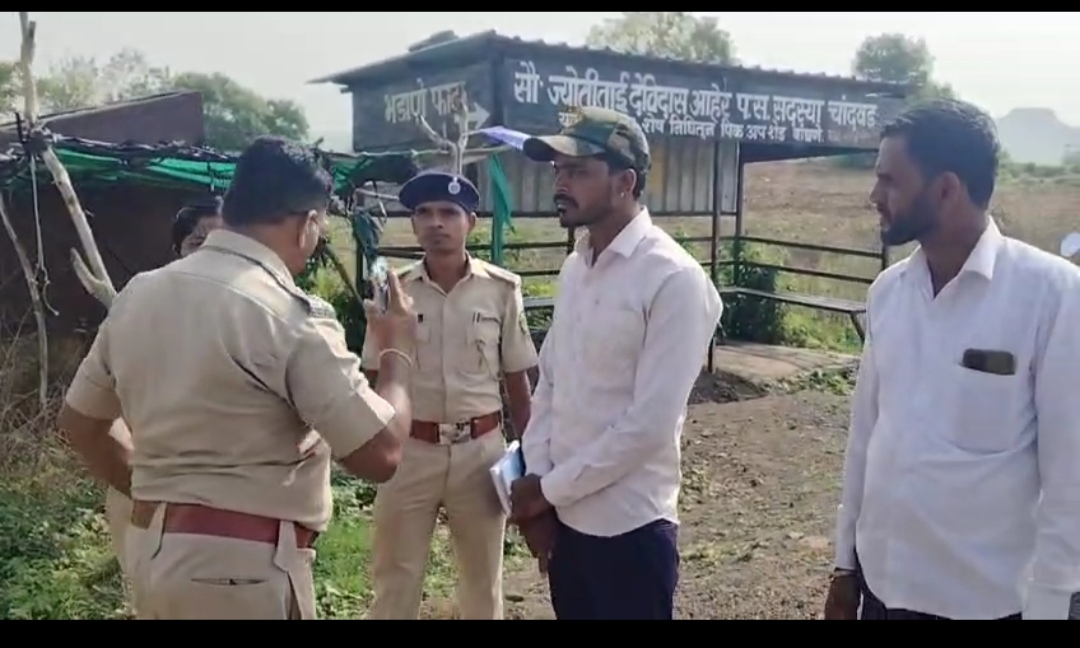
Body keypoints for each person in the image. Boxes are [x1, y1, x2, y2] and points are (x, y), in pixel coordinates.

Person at [57, 135, 418, 620]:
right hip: (242, 574)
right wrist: (396, 351)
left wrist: (164, 502)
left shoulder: (140, 294)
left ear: (230, 207)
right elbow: (382, 454)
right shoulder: (288, 315)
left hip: (152, 554)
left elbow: (81, 424)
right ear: (308, 225)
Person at [825, 99, 1080, 621]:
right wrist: (844, 567)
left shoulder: (1053, 296)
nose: (874, 196)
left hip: (985, 606)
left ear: (945, 190)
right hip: (882, 594)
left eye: (889, 180)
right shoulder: (888, 292)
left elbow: (1071, 477)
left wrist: (1052, 605)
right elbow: (866, 438)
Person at [510, 106, 723, 620]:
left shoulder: (673, 279)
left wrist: (545, 491)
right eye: (558, 171)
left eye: (578, 171)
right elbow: (551, 384)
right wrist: (537, 482)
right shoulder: (575, 268)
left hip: (630, 531)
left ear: (625, 182)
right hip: (566, 526)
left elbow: (648, 426)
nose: (561, 184)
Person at [363, 170, 538, 620]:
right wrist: (373, 450)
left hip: (480, 453)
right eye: (424, 213)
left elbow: (517, 378)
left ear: (470, 223)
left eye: (448, 213)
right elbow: (374, 373)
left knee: (483, 582)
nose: (435, 223)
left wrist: (533, 456)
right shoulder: (393, 291)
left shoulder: (501, 289)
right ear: (413, 223)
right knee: (395, 578)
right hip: (410, 452)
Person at [102, 197, 225, 612]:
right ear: (177, 251)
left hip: (232, 505)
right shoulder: (139, 310)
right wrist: (141, 485)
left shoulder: (261, 318)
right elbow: (92, 415)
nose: (209, 253)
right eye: (197, 242)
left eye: (223, 241)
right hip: (148, 490)